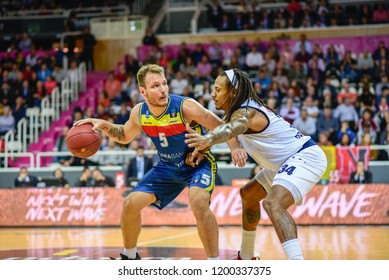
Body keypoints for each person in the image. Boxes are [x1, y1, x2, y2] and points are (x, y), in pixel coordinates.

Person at [74, 64, 246, 260]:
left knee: (198, 201)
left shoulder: (185, 106)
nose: (163, 89)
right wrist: (103, 124)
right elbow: (123, 135)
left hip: (197, 163)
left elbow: (221, 127)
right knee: (130, 204)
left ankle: (214, 264)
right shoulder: (139, 113)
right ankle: (130, 257)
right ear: (143, 91)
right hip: (167, 167)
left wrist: (235, 147)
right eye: (155, 86)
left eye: (164, 83)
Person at [185, 68, 327, 260]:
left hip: (304, 157)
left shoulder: (246, 112)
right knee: (248, 195)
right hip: (281, 163)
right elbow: (229, 129)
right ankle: (247, 256)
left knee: (273, 203)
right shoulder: (239, 110)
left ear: (233, 92)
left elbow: (231, 129)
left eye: (218, 90)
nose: (213, 94)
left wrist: (208, 139)